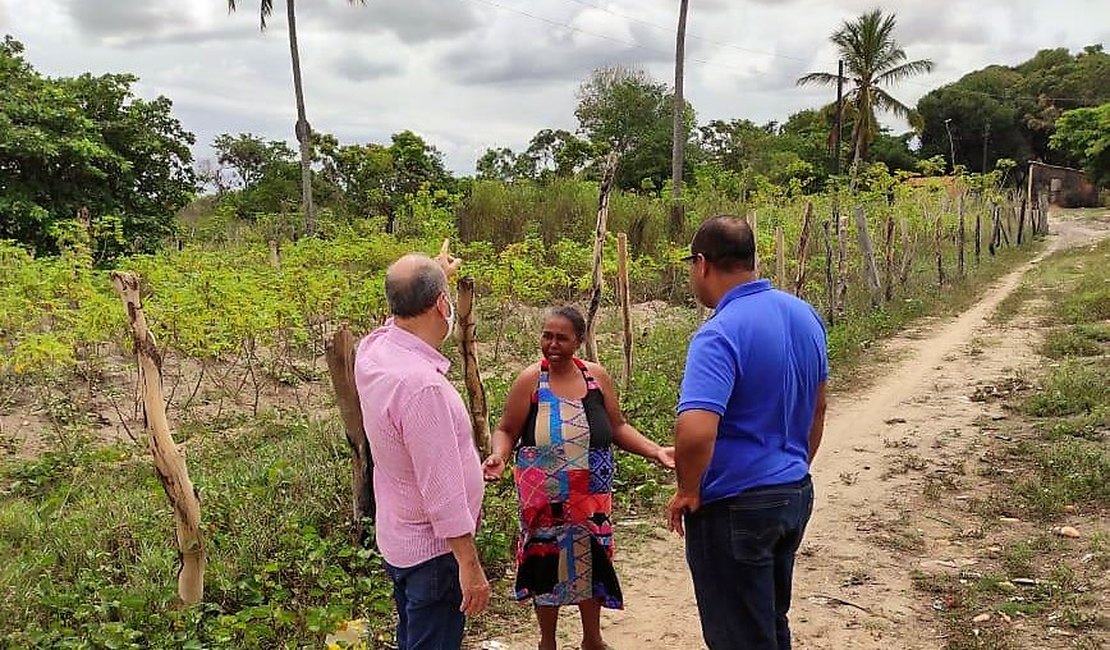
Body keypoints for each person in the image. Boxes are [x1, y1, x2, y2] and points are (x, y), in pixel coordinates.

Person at [666, 216, 829, 650]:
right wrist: (793, 467)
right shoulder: (803, 314)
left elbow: (696, 431)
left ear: (702, 263)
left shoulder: (718, 333)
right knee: (769, 621)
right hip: (792, 492)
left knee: (739, 634)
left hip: (735, 505)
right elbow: (818, 406)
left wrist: (687, 489)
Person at [482, 306, 675, 650]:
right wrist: (499, 454)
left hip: (590, 493)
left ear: (579, 341)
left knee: (591, 558)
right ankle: (547, 642)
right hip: (544, 495)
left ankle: (592, 639)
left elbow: (618, 427)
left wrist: (654, 450)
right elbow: (507, 429)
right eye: (547, 336)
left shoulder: (596, 378)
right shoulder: (531, 380)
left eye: (561, 338)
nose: (552, 344)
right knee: (545, 561)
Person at [354, 253, 490, 650]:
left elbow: (396, 316)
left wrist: (436, 276)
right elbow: (441, 491)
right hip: (435, 553)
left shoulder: (373, 351)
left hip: (400, 540)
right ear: (442, 305)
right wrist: (469, 563)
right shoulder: (422, 388)